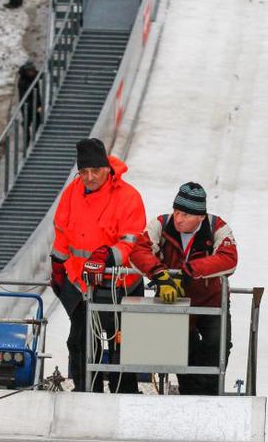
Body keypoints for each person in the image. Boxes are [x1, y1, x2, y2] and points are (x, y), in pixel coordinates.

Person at [51, 138, 146, 392]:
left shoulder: (128, 197)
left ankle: (123, 396)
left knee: (122, 350)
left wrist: (106, 256)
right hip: (83, 285)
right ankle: (85, 394)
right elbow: (62, 232)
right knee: (80, 344)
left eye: (95, 171)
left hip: (121, 286)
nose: (89, 177)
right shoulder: (71, 193)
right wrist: (57, 264)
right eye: (83, 172)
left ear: (106, 167)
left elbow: (131, 242)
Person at [129, 182, 238, 395]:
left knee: (218, 346)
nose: (178, 218)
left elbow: (229, 259)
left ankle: (210, 396)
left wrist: (188, 271)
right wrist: (160, 275)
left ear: (201, 216)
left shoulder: (217, 228)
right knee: (183, 351)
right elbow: (138, 252)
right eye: (176, 211)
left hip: (211, 303)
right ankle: (189, 395)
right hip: (174, 303)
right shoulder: (160, 224)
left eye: (186, 215)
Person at [16, 61, 42, 148]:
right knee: (27, 122)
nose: (32, 73)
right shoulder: (22, 82)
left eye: (33, 71)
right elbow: (25, 96)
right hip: (26, 105)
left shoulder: (34, 75)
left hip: (36, 103)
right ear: (26, 72)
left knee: (38, 121)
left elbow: (40, 74)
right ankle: (27, 142)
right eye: (30, 71)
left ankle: (36, 138)